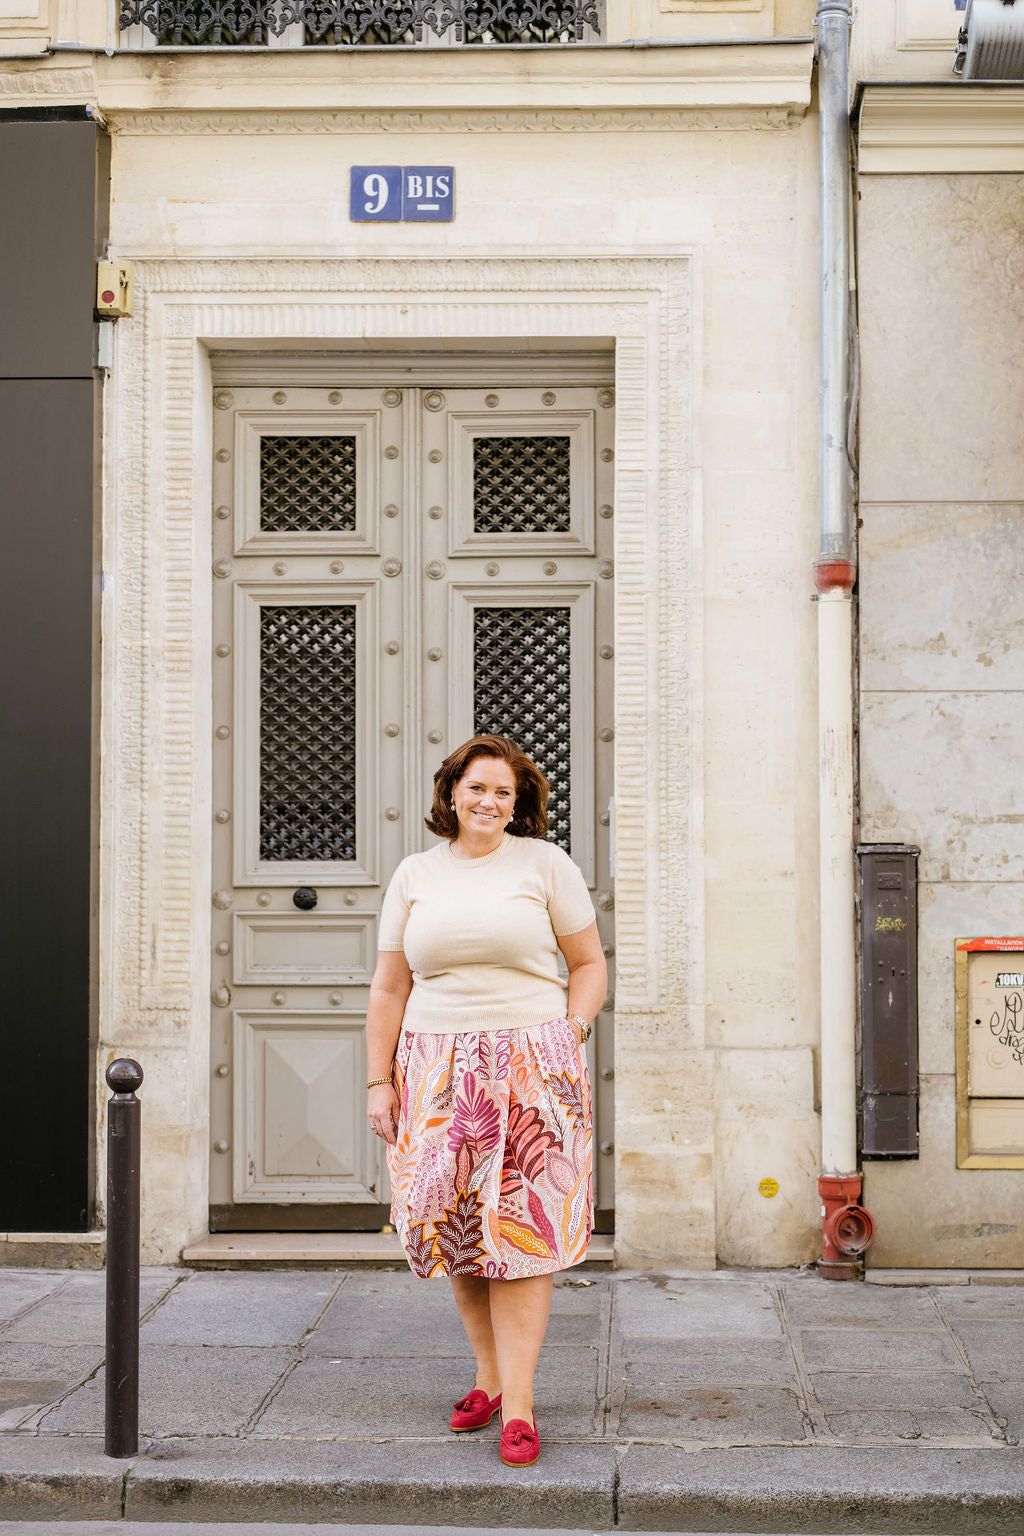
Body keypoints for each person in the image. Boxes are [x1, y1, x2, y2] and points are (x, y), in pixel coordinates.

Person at [364, 734, 607, 1467]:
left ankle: (522, 1406)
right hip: (437, 1071)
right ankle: (489, 1376)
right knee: (459, 1230)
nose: (489, 802)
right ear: (451, 794)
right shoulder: (414, 875)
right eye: (477, 788)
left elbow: (590, 963)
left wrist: (572, 1030)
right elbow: (389, 987)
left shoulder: (545, 865)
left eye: (504, 792)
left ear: (518, 802)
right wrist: (381, 1081)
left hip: (533, 1066)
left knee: (525, 1234)